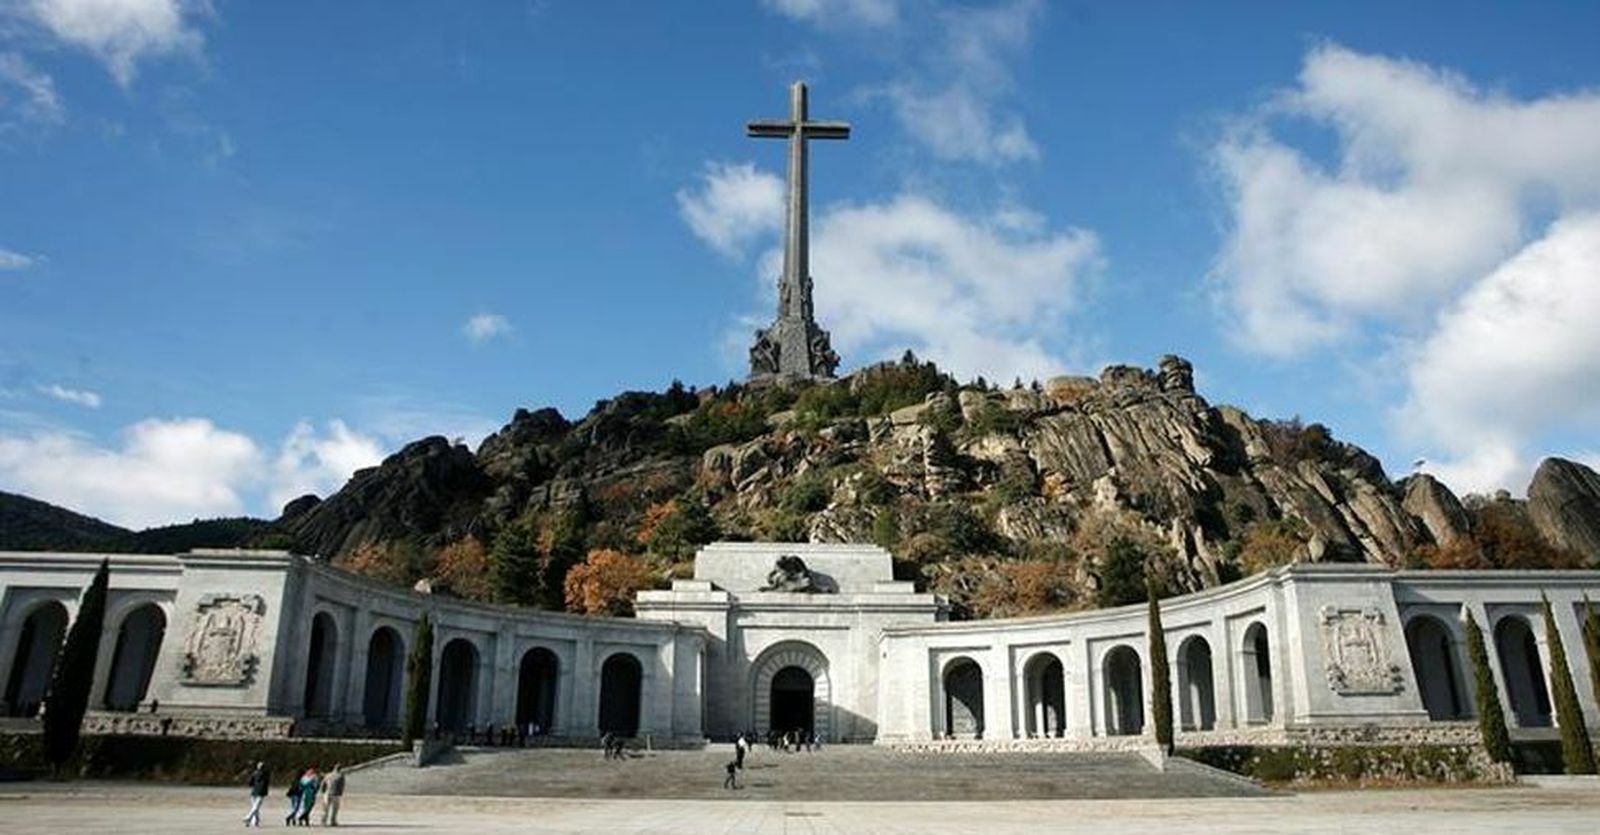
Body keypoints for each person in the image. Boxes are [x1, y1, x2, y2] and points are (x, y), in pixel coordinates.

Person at [243, 761, 269, 827]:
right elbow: (266, 784)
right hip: (261, 792)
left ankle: (254, 822)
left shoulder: (254, 773)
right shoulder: (266, 774)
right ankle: (249, 817)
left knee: (255, 807)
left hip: (254, 791)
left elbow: (250, 783)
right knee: (256, 807)